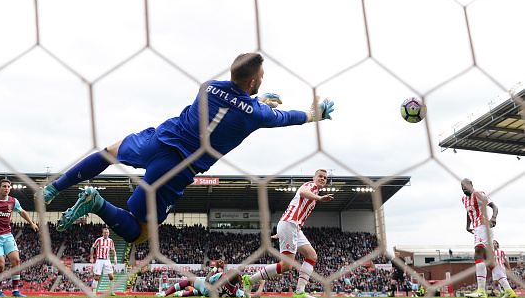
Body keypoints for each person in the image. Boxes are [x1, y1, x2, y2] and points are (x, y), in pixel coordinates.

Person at [37, 53, 335, 246]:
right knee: (140, 233)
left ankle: (55, 187)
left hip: (159, 139)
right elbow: (288, 118)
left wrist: (255, 99)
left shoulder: (208, 87)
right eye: (261, 80)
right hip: (176, 168)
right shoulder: (257, 114)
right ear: (255, 81)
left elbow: (233, 96)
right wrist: (314, 114)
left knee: (108, 153)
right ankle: (96, 203)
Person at [242, 169, 334, 298]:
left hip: (293, 227)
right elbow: (302, 191)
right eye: (320, 176)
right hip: (289, 224)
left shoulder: (314, 191)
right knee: (286, 266)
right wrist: (320, 198)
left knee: (311, 255)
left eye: (325, 178)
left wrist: (283, 232)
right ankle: (249, 280)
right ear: (314, 177)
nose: (323, 179)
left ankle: (300, 291)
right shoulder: (311, 186)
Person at [0, 179, 39, 297]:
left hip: (7, 235)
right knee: (1, 264)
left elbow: (22, 212)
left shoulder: (13, 201)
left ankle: (15, 291)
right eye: (4, 186)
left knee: (16, 260)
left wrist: (31, 223)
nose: (7, 188)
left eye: (8, 187)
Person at [461, 178, 498, 298]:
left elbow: (494, 206)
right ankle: (508, 289)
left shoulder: (479, 194)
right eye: (462, 186)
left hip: (483, 225)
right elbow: (468, 211)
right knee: (490, 261)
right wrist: (467, 226)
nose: (464, 187)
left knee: (478, 254)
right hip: (477, 227)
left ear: (472, 185)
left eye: (466, 185)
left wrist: (493, 218)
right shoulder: (464, 199)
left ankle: (481, 290)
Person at [158, 269, 265, 298]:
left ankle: (165, 294)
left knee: (189, 280)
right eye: (239, 275)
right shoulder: (236, 291)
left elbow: (206, 281)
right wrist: (261, 285)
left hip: (207, 288)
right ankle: (180, 294)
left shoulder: (222, 276)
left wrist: (215, 269)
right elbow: (256, 296)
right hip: (211, 295)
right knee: (199, 292)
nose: (241, 277)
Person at [90, 227, 117, 296]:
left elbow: (113, 250)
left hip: (107, 260)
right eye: (105, 232)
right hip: (99, 260)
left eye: (107, 232)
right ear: (102, 233)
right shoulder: (99, 240)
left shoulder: (110, 241)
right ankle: (94, 292)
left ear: (109, 233)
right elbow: (93, 247)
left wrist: (115, 258)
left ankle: (112, 292)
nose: (106, 233)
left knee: (111, 276)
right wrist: (91, 257)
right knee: (97, 276)